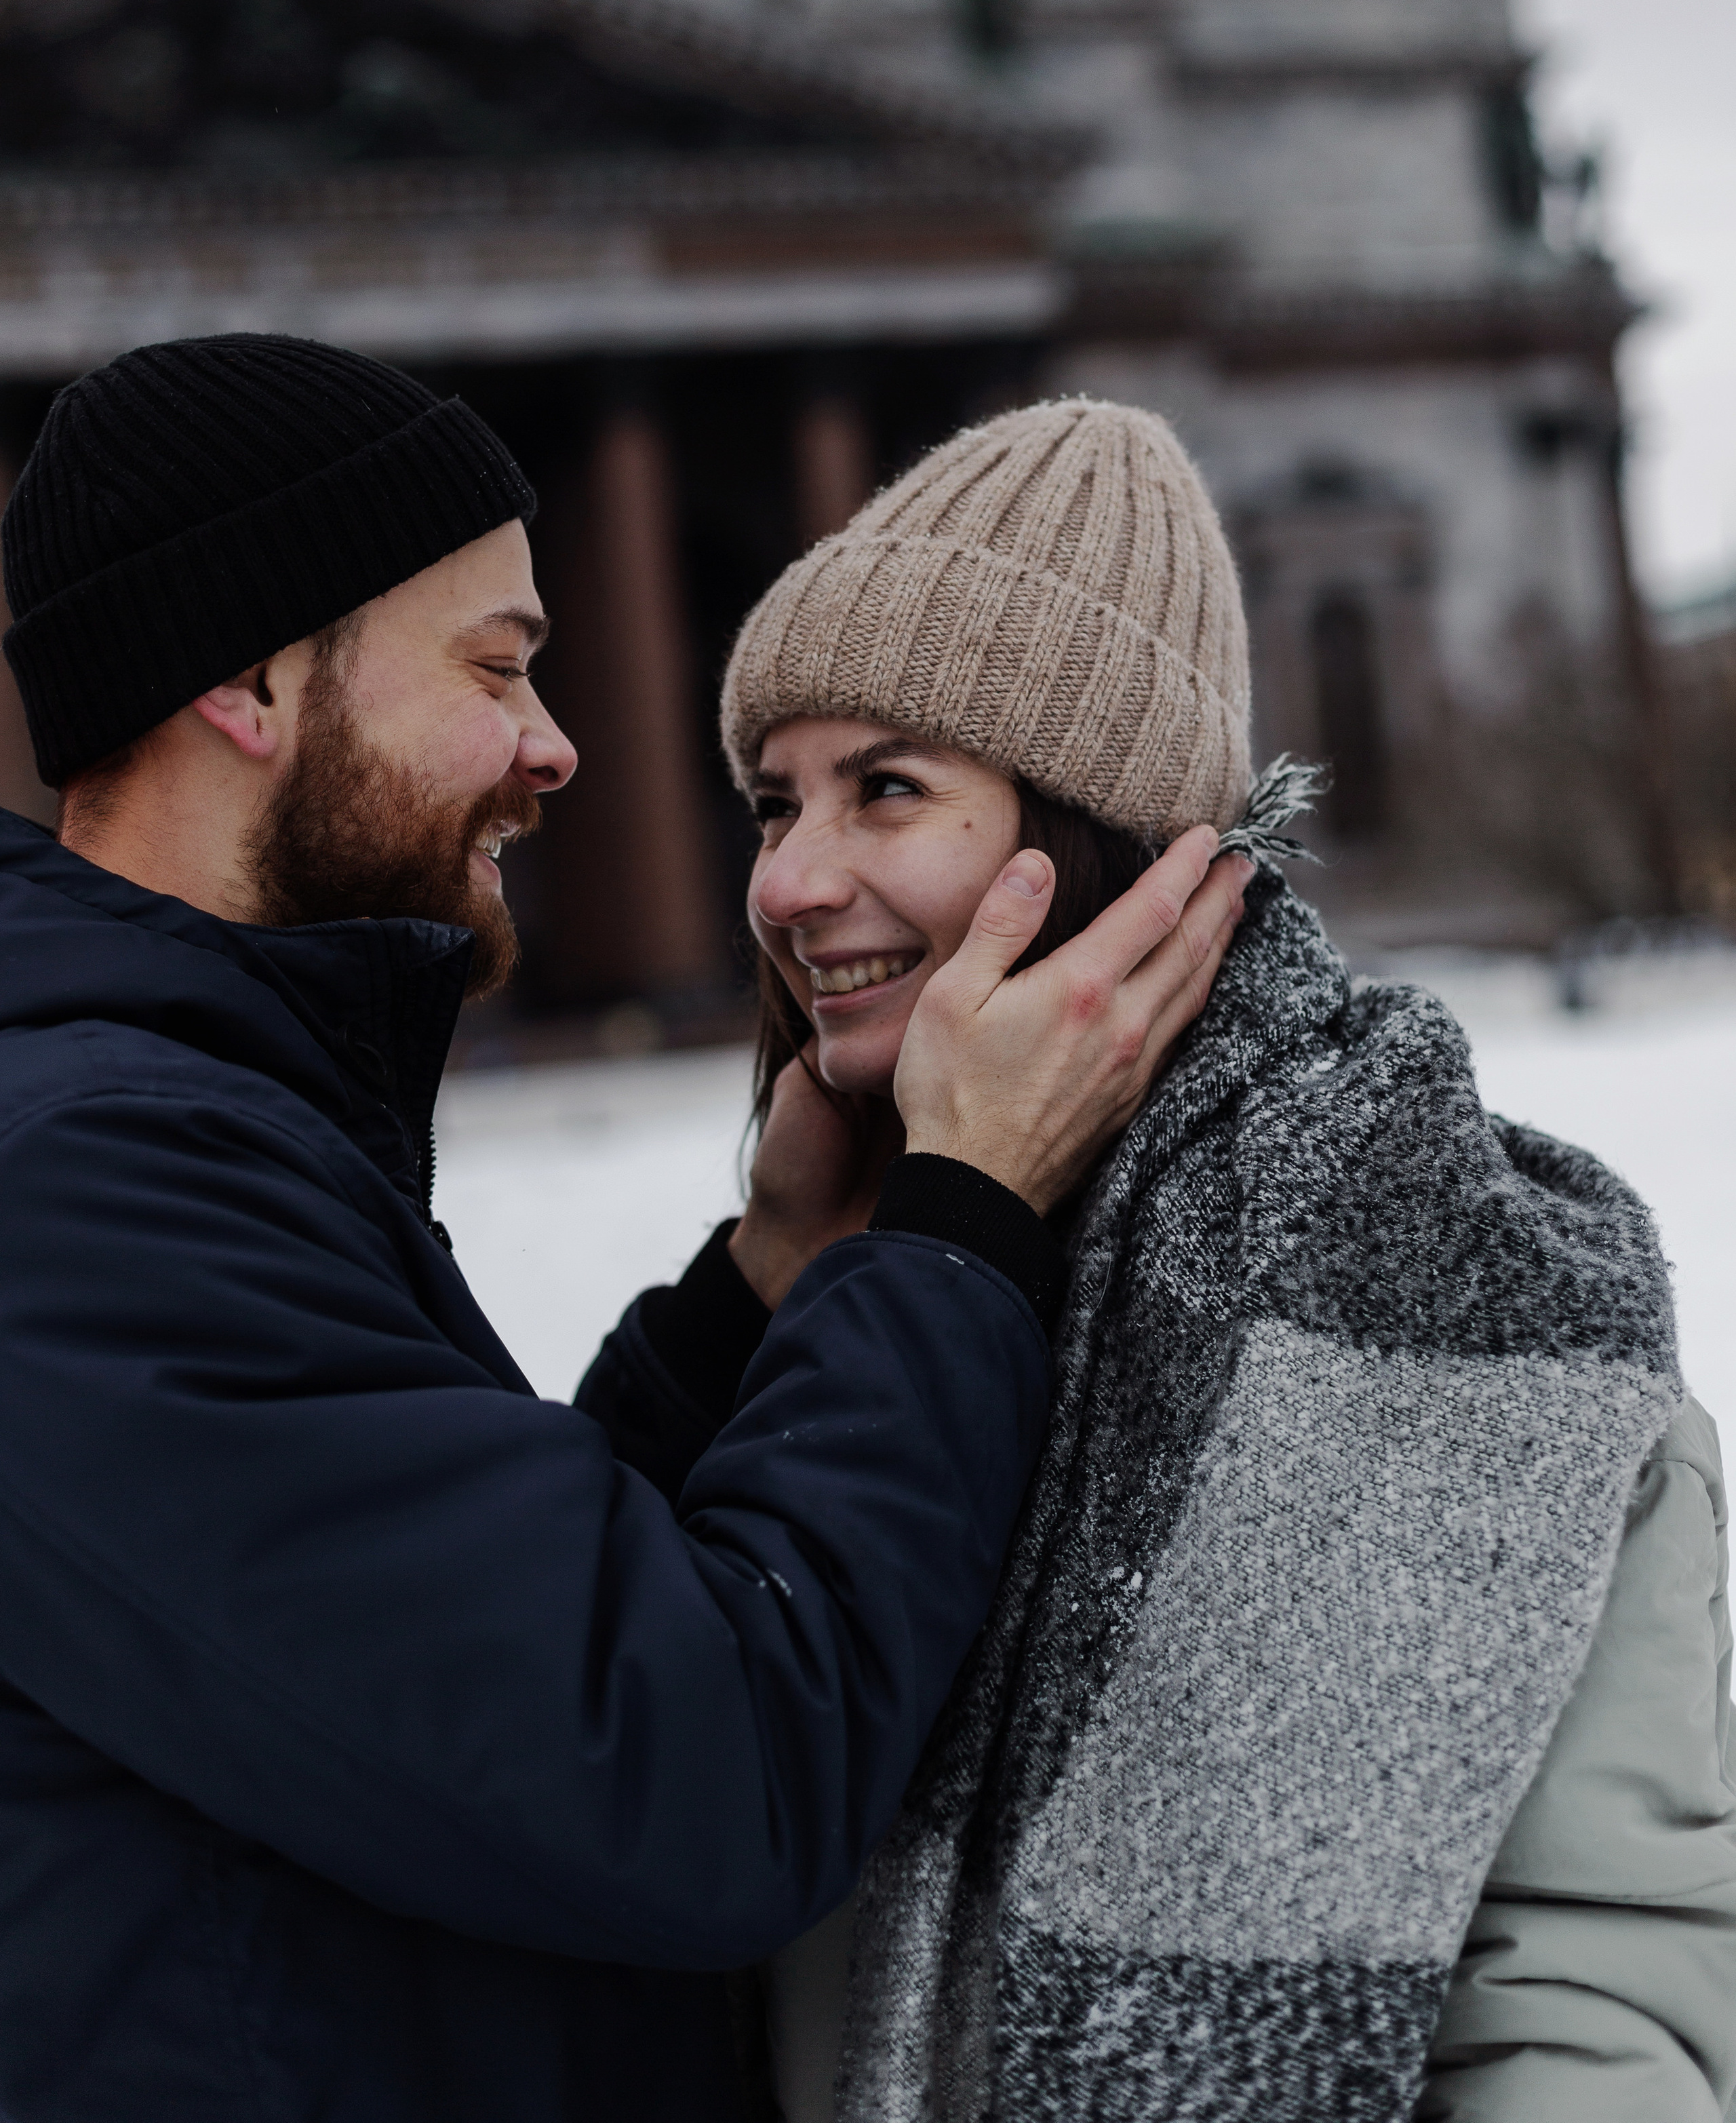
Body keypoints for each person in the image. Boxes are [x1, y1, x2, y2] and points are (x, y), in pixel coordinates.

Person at [0, 338, 1252, 2123]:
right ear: (255, 686)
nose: (559, 745)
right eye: (496, 668)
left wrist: (754, 1297)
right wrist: (962, 1222)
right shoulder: (87, 1192)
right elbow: (692, 1769)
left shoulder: (167, 1130)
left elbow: (450, 1659)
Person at [716, 396, 1736, 2123]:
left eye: (885, 788)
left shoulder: (1460, 1287)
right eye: (768, 803)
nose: (791, 879)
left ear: (1103, 831)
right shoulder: (830, 1285)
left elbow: (1584, 2001)